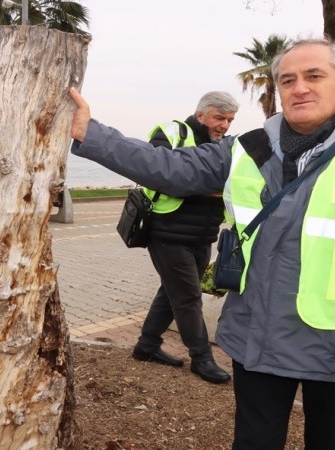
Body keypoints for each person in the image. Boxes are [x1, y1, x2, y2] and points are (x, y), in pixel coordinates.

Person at [68, 37, 335, 450]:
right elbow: (168, 167)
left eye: (314, 76)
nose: (299, 88)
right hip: (258, 338)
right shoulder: (249, 147)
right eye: (287, 80)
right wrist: (90, 133)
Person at [131, 92, 238, 384]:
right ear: (201, 114)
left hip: (203, 235)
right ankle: (202, 358)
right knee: (189, 297)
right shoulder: (172, 133)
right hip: (167, 233)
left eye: (230, 120)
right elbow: (156, 175)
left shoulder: (224, 146)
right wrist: (213, 189)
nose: (224, 125)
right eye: (219, 118)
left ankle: (146, 346)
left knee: (172, 292)